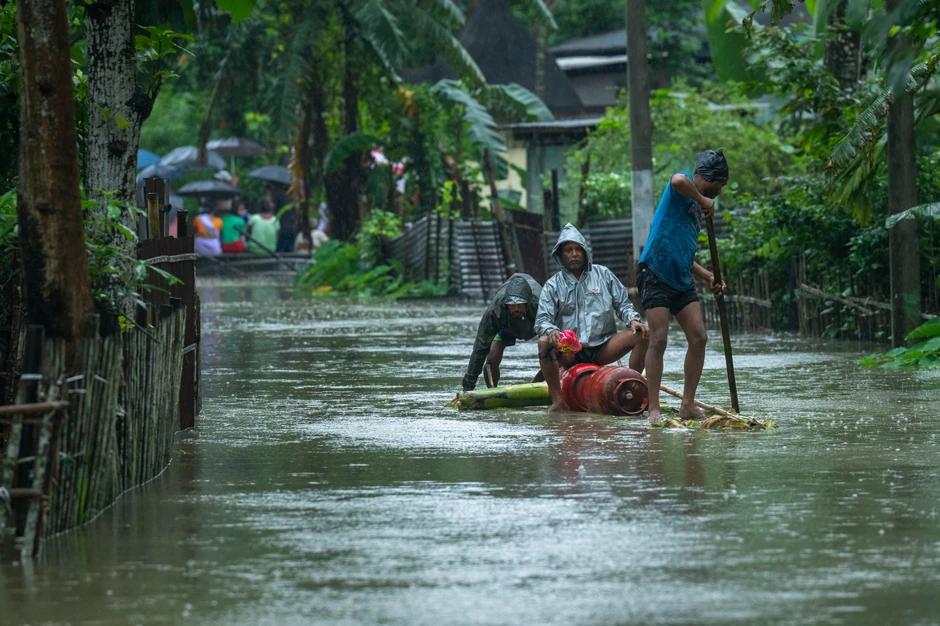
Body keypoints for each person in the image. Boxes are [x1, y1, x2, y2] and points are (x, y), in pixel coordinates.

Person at [639, 149, 729, 422]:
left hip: (680, 277)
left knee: (699, 337)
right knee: (659, 340)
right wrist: (702, 198)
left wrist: (708, 276)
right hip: (654, 270)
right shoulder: (684, 187)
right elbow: (677, 179)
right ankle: (653, 408)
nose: (720, 192)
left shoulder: (696, 208)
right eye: (719, 186)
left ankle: (687, 404)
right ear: (709, 179)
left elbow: (685, 255)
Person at [536, 224, 649, 412]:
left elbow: (623, 304)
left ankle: (632, 384)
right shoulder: (552, 285)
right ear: (560, 255)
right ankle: (557, 401)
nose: (573, 254)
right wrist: (552, 331)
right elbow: (542, 320)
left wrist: (633, 320)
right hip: (569, 352)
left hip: (602, 347)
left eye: (577, 249)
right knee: (543, 342)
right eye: (568, 250)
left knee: (642, 333)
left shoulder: (603, 274)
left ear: (585, 252)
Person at [461, 273, 543, 392]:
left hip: (534, 323)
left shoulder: (541, 304)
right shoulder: (495, 312)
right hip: (506, 325)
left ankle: (536, 385)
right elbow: (479, 349)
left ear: (528, 302)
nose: (516, 309)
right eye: (512, 305)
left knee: (548, 354)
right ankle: (493, 391)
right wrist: (467, 388)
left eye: (520, 305)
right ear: (505, 304)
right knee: (492, 358)